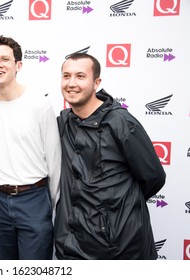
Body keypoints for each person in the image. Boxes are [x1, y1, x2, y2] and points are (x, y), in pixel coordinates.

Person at [54, 52, 166, 259]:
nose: (71, 83)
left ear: (96, 82)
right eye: (66, 76)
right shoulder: (63, 122)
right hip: (72, 244)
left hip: (120, 247)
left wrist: (115, 211)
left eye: (80, 76)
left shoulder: (121, 122)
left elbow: (154, 177)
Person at [0, 35, 61, 260]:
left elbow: (54, 160)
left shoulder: (39, 104)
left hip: (34, 199)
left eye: (5, 59)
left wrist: (51, 205)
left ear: (18, 65)